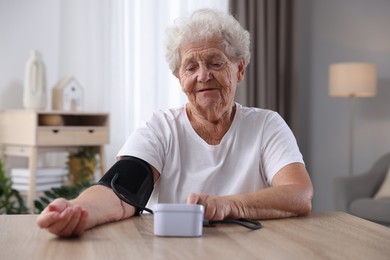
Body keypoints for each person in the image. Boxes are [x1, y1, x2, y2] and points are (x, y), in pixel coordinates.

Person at [37, 8, 313, 237]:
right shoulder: (160, 128)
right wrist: (78, 211)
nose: (203, 76)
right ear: (179, 78)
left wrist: (227, 205)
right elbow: (120, 192)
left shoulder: (267, 125)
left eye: (215, 63)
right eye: (191, 67)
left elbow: (298, 194)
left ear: (239, 69)